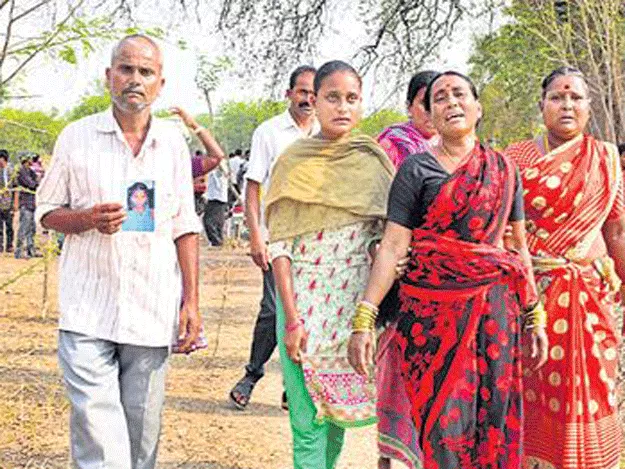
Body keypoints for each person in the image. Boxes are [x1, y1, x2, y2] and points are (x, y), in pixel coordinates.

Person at [348, 71, 548, 469]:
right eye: (440, 98)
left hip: (495, 314)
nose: (451, 103)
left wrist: (535, 315)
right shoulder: (415, 170)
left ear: (478, 108)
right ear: (429, 114)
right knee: (443, 428)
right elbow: (392, 246)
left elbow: (517, 248)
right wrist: (364, 317)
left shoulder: (504, 169)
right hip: (430, 319)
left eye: (460, 94)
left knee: (492, 421)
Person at [35, 35, 203, 469]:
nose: (134, 80)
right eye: (125, 69)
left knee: (140, 441)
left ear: (160, 83)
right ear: (109, 76)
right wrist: (88, 219)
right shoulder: (77, 137)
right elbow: (47, 212)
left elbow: (185, 226)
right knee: (99, 440)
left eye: (145, 72)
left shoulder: (172, 144)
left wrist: (191, 301)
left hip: (150, 312)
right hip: (87, 310)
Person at [266, 59, 394, 469]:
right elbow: (280, 249)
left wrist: (371, 315)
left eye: (351, 98)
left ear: (361, 105)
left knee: (335, 420)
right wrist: (291, 319)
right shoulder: (293, 162)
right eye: (332, 97)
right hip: (303, 308)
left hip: (352, 313)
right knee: (308, 425)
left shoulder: (372, 161)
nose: (342, 107)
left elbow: (385, 240)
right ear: (314, 102)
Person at [504, 66, 625, 469]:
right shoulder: (515, 158)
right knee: (530, 391)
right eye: (557, 97)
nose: (567, 104)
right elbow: (501, 229)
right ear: (541, 106)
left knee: (595, 391)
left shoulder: (605, 158)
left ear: (590, 107)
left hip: (591, 297)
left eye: (575, 97)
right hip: (531, 298)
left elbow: (618, 231)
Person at [230, 64, 318, 410]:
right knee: (271, 309)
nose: (308, 99)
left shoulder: (325, 132)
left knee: (307, 311)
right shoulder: (270, 132)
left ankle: (293, 386)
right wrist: (256, 237)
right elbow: (253, 189)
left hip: (315, 242)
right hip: (276, 238)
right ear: (289, 94)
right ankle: (252, 374)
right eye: (302, 92)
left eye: (314, 93)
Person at [375, 70, 438, 469]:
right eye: (424, 103)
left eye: (441, 101)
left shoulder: (460, 151)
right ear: (410, 106)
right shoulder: (393, 146)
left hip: (443, 276)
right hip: (400, 271)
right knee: (396, 370)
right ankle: (388, 454)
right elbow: (383, 208)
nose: (434, 111)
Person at [15, 151, 40, 259]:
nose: (32, 160)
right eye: (30, 158)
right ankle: (19, 251)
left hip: (32, 203)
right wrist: (37, 181)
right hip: (25, 203)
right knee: (24, 228)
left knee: (32, 228)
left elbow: (38, 181)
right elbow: (32, 184)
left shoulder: (30, 171)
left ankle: (31, 250)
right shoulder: (21, 171)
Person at [203, 161, 229, 246]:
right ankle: (217, 240)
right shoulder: (214, 170)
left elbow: (224, 173)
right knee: (217, 221)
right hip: (214, 197)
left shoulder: (220, 169)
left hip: (217, 198)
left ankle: (216, 241)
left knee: (209, 221)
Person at [0, 149, 14, 253]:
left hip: (9, 201)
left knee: (9, 225)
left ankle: (9, 245)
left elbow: (16, 187)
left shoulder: (11, 170)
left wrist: (15, 203)